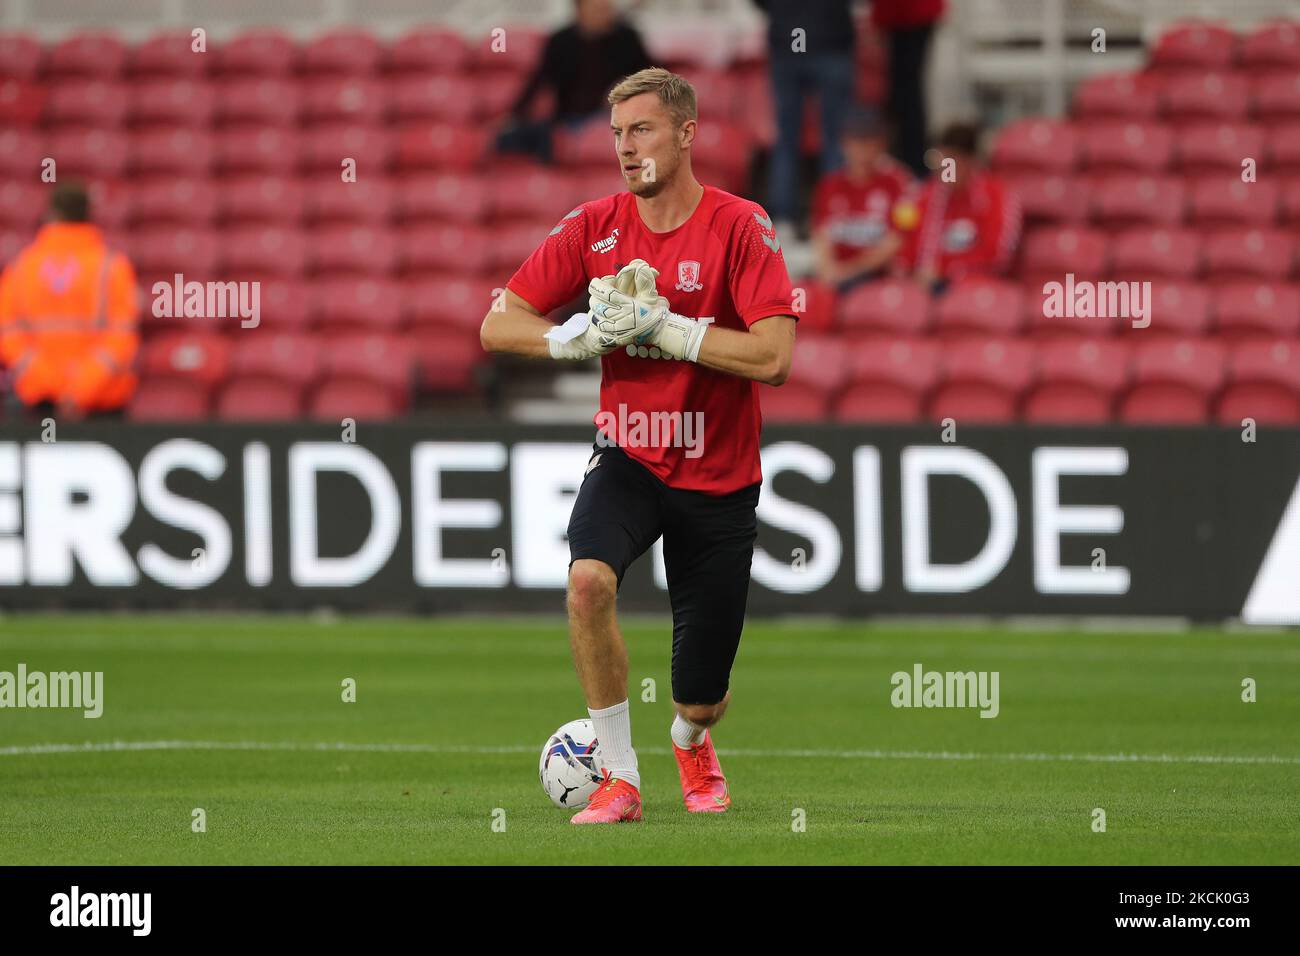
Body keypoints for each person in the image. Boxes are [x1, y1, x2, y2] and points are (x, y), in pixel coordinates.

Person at [481, 67, 796, 824]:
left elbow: (775, 358)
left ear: (687, 133)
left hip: (719, 474)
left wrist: (670, 331)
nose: (626, 148)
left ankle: (690, 739)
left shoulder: (739, 225)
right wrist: (574, 337)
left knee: (702, 696)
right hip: (629, 454)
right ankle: (621, 781)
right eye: (618, 133)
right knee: (587, 581)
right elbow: (498, 322)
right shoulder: (593, 225)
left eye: (643, 130)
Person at [0, 183, 139, 420]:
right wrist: (78, 390)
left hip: (41, 405)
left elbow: (9, 335)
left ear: (51, 214)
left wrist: (53, 384)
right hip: (102, 405)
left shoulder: (22, 266)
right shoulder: (112, 266)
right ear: (89, 215)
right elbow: (122, 337)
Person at [496, 0, 653, 164]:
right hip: (566, 119)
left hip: (609, 118)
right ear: (579, 9)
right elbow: (539, 81)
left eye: (606, 8)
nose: (603, 14)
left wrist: (626, 87)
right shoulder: (560, 41)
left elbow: (652, 77)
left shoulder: (627, 39)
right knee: (514, 138)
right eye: (597, 9)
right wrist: (513, 115)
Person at [752, 0, 857, 237]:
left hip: (788, 39)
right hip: (830, 39)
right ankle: (834, 217)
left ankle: (784, 219)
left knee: (787, 139)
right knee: (835, 139)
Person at [894, 122, 1021, 294]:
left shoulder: (997, 195)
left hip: (975, 288)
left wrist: (945, 270)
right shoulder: (928, 195)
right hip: (927, 287)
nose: (943, 169)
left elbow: (998, 255)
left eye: (952, 162)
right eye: (940, 161)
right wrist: (904, 269)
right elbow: (907, 244)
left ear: (971, 161)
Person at [810, 105, 913, 292]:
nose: (863, 149)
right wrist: (827, 271)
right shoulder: (830, 185)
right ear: (844, 144)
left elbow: (898, 239)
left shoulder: (898, 182)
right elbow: (821, 235)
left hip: (880, 276)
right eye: (856, 141)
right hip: (838, 276)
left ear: (882, 144)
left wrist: (848, 271)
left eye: (869, 141)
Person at [872, 0, 946, 177]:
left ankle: (912, 165)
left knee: (907, 94)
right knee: (905, 92)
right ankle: (910, 162)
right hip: (904, 14)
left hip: (907, 14)